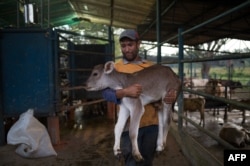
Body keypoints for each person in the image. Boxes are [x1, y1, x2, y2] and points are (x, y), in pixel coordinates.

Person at [102, 29, 176, 166]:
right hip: (128, 125)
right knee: (130, 161)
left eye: (130, 45)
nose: (127, 49)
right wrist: (124, 92)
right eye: (123, 46)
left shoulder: (151, 67)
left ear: (138, 44)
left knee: (147, 160)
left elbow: (165, 91)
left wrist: (170, 97)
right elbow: (106, 93)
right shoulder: (115, 68)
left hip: (152, 124)